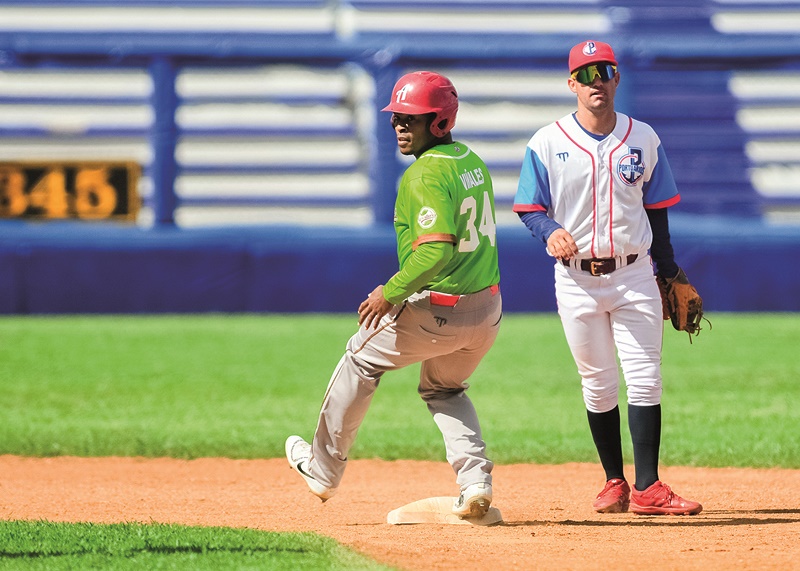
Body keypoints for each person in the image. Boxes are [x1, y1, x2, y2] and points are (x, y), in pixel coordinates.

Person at [286, 70, 502, 519]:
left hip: (438, 309)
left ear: (439, 121)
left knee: (359, 359)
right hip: (487, 310)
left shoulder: (423, 174)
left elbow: (436, 250)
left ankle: (323, 471)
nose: (401, 126)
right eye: (396, 118)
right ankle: (475, 481)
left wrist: (391, 290)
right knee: (444, 390)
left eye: (412, 118)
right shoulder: (471, 161)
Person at [513, 40, 703, 515]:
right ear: (572, 83)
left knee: (645, 378)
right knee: (596, 381)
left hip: (635, 271)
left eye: (605, 71)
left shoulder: (644, 138)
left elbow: (657, 212)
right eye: (586, 73)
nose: (597, 80)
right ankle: (613, 481)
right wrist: (549, 230)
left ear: (616, 78)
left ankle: (649, 487)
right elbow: (529, 207)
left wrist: (671, 270)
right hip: (575, 278)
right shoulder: (547, 141)